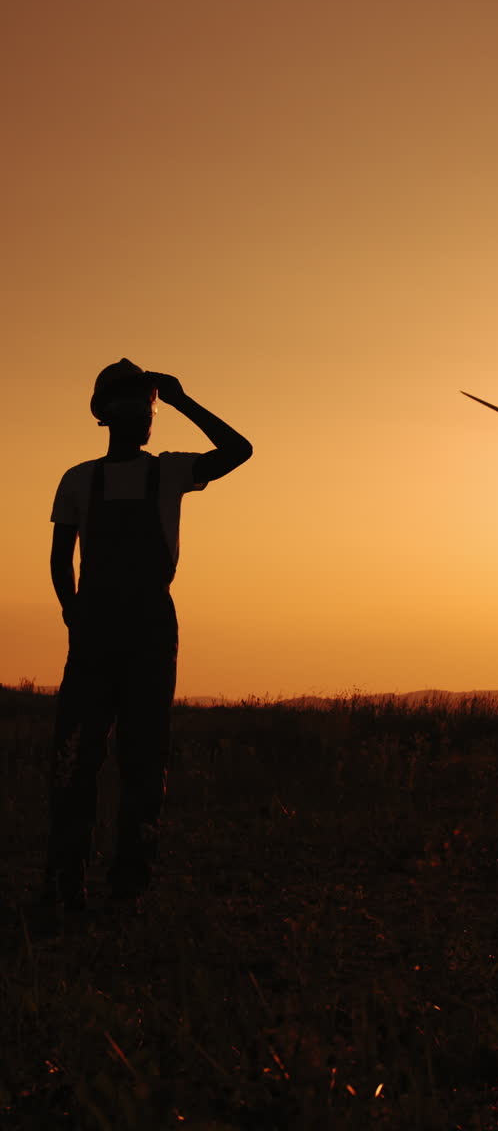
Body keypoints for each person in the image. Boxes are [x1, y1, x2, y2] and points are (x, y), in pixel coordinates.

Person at [43, 359, 252, 919]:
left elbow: (239, 450)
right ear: (104, 415)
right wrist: (73, 613)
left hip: (151, 629)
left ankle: (128, 890)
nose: (143, 414)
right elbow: (61, 559)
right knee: (75, 760)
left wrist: (184, 399)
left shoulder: (172, 471)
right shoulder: (78, 478)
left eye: (149, 406)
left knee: (143, 759)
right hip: (94, 629)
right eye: (132, 404)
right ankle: (66, 886)